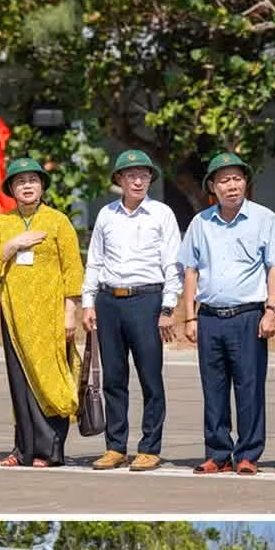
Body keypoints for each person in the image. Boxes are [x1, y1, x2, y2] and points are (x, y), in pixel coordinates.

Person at [178, 151, 275, 475]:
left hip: (248, 316)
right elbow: (190, 270)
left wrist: (271, 310)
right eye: (224, 180)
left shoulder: (264, 219)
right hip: (209, 316)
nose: (232, 186)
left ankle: (248, 454)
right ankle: (217, 452)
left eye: (237, 178)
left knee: (249, 387)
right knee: (214, 388)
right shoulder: (200, 222)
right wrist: (190, 316)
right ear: (213, 186)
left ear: (245, 183)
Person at [0, 157, 83, 468]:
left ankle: (50, 450)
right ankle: (22, 449)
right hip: (14, 314)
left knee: (50, 378)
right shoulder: (2, 223)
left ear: (41, 186)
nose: (27, 186)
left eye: (33, 180)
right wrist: (13, 245)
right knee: (20, 381)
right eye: (20, 181)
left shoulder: (57, 221)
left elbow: (73, 270)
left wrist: (70, 312)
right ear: (11, 188)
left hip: (50, 313)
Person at [81, 148, 180, 472]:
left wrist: (168, 306)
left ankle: (150, 447)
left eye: (144, 175)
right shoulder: (107, 215)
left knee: (150, 377)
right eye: (131, 175)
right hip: (109, 301)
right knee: (114, 377)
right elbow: (94, 260)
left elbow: (172, 263)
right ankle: (115, 446)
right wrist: (88, 302)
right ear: (120, 180)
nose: (138, 180)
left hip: (147, 299)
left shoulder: (162, 214)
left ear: (151, 178)